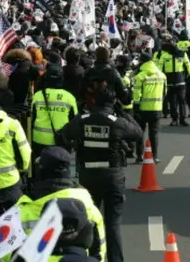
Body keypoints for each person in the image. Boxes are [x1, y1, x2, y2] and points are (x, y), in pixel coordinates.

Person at [59, 85, 142, 262]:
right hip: (112, 177)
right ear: (112, 103)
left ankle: (93, 258)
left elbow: (63, 134)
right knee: (113, 224)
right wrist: (124, 113)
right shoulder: (116, 122)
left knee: (89, 222)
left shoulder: (81, 120)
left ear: (93, 101)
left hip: (87, 178)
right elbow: (138, 133)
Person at [13, 147, 105, 261]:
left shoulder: (23, 209)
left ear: (41, 170)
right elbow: (99, 249)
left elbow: (6, 252)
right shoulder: (89, 207)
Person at [0, 84, 31, 222]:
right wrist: (22, 169)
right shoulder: (12, 124)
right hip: (10, 184)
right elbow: (25, 153)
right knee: (18, 226)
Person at [31, 64, 78, 169]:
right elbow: (74, 122)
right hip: (61, 141)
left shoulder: (37, 95)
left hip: (39, 140)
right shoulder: (69, 98)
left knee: (40, 169)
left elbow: (32, 118)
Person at [132, 50, 166, 163]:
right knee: (154, 133)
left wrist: (136, 105)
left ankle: (139, 155)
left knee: (140, 133)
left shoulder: (140, 76)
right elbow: (165, 92)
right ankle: (155, 156)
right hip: (156, 108)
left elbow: (136, 92)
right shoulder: (162, 75)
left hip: (142, 109)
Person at [158, 39, 190, 127]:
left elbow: (188, 64)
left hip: (180, 80)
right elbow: (159, 68)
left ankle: (182, 119)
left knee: (182, 100)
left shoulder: (182, 54)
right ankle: (174, 119)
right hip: (169, 81)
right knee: (172, 102)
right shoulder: (164, 56)